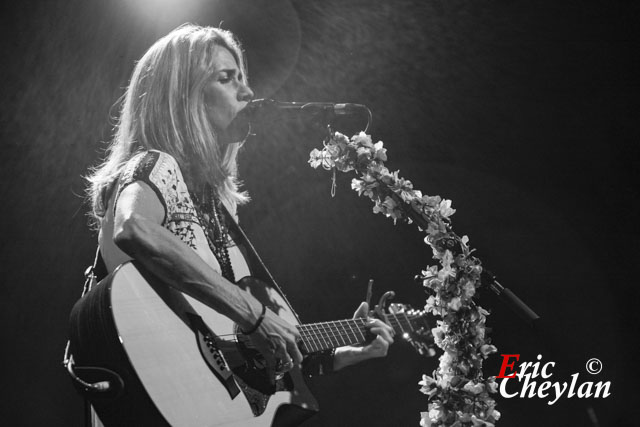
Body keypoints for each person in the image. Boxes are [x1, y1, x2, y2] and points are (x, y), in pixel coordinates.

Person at [84, 24, 394, 425]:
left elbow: (231, 352)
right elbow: (134, 227)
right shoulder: (156, 165)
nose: (247, 92)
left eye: (243, 78)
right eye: (226, 78)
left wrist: (346, 351)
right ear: (183, 95)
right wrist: (254, 314)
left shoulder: (212, 203)